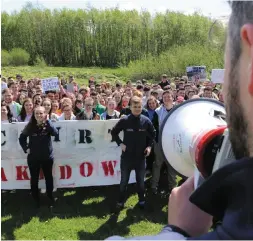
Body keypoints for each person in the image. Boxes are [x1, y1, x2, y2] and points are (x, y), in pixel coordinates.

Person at [106, 1, 253, 239]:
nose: (222, 90)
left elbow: (151, 134)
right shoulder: (127, 119)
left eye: (226, 62)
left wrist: (176, 233)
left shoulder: (144, 119)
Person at [111, 96, 156, 209]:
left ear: (142, 107)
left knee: (140, 182)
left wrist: (149, 147)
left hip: (141, 158)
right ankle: (121, 202)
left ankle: (141, 201)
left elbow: (153, 134)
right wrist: (120, 144)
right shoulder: (125, 120)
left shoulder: (146, 121)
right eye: (135, 106)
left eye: (139, 106)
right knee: (124, 181)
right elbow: (114, 132)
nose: (137, 109)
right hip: (126, 157)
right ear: (130, 107)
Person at [19, 106, 58, 208]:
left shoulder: (48, 124)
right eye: (37, 113)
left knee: (49, 177)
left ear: (45, 114)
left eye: (41, 113)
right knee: (34, 179)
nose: (39, 115)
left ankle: (50, 196)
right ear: (34, 115)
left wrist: (48, 122)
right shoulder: (30, 125)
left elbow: (55, 133)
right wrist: (26, 148)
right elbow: (22, 138)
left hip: (47, 157)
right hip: (33, 158)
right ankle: (35, 199)